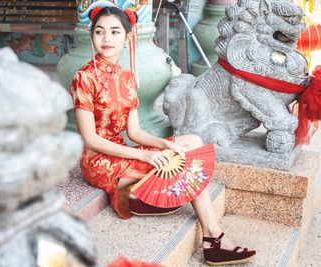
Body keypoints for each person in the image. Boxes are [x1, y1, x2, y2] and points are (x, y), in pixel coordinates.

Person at [70, 6, 256, 265]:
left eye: (115, 32)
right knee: (178, 160)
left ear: (127, 38)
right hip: (99, 160)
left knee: (192, 143)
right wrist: (147, 155)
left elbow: (134, 132)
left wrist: (161, 145)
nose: (106, 39)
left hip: (122, 149)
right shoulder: (84, 78)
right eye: (100, 32)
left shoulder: (127, 78)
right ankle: (213, 236)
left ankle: (203, 230)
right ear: (92, 36)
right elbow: (90, 139)